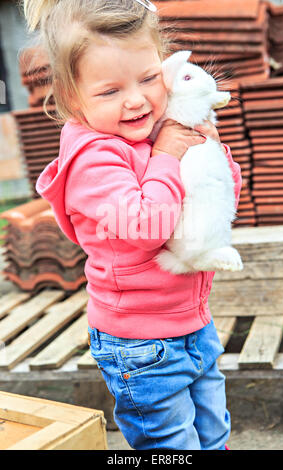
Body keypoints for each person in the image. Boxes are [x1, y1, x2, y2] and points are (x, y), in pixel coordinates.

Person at [22, 0, 242, 450]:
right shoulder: (94, 157)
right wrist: (166, 157)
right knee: (172, 447)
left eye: (148, 79)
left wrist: (214, 155)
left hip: (193, 322)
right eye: (109, 91)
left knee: (214, 434)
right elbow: (148, 227)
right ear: (71, 98)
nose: (137, 99)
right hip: (141, 346)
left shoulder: (156, 130)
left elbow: (215, 203)